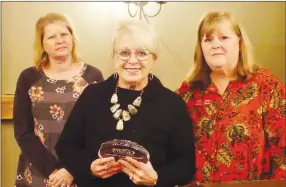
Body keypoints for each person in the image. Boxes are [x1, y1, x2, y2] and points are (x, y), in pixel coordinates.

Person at [55, 20, 196, 187]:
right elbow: (65, 147)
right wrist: (89, 167)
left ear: (154, 58)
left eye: (142, 53)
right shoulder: (92, 96)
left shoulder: (173, 104)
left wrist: (157, 178)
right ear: (114, 56)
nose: (132, 61)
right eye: (124, 53)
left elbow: (186, 166)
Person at [176, 11, 286, 184]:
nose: (215, 45)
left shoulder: (266, 85)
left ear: (239, 42)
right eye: (208, 39)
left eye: (223, 37)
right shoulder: (187, 93)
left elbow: (283, 150)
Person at [13, 12, 104, 187]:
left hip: (80, 170)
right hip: (39, 171)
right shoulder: (28, 78)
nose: (59, 40)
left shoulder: (93, 76)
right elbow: (23, 132)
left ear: (72, 38)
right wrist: (53, 170)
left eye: (64, 34)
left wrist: (71, 169)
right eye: (51, 37)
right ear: (42, 44)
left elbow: (98, 130)